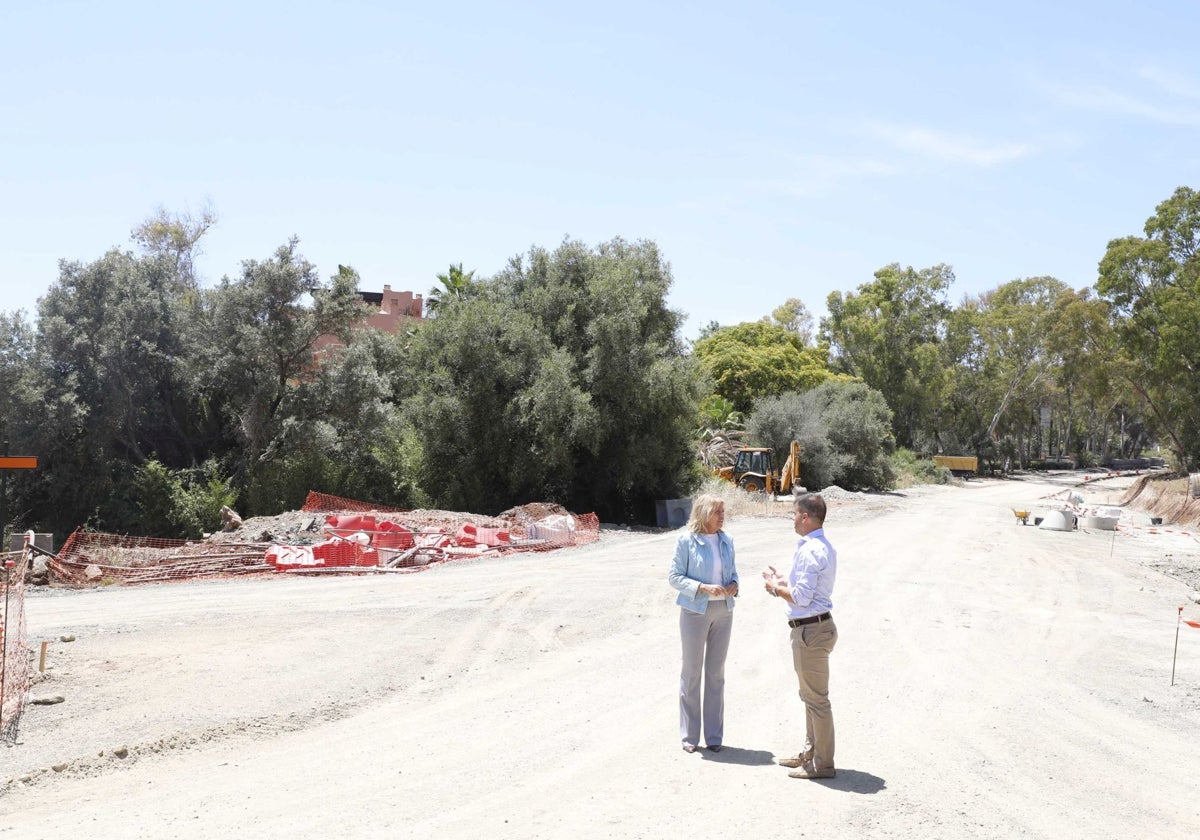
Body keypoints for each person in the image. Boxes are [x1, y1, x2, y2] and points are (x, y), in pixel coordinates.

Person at [762, 492, 838, 779]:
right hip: (815, 628)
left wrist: (773, 587)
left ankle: (822, 764)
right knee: (810, 696)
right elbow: (808, 588)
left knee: (816, 700)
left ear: (805, 516)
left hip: (810, 630)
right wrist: (784, 580)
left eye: (794, 514)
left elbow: (802, 598)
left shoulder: (809, 550)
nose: (792, 519)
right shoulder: (821, 546)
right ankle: (810, 753)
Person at [668, 494, 739, 753]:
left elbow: (733, 572)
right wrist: (702, 587)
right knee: (692, 673)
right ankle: (689, 737)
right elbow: (674, 577)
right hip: (695, 611)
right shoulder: (686, 541)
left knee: (716, 674)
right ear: (703, 513)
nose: (722, 515)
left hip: (724, 611)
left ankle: (714, 737)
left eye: (723, 511)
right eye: (717, 511)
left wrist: (734, 585)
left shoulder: (727, 540)